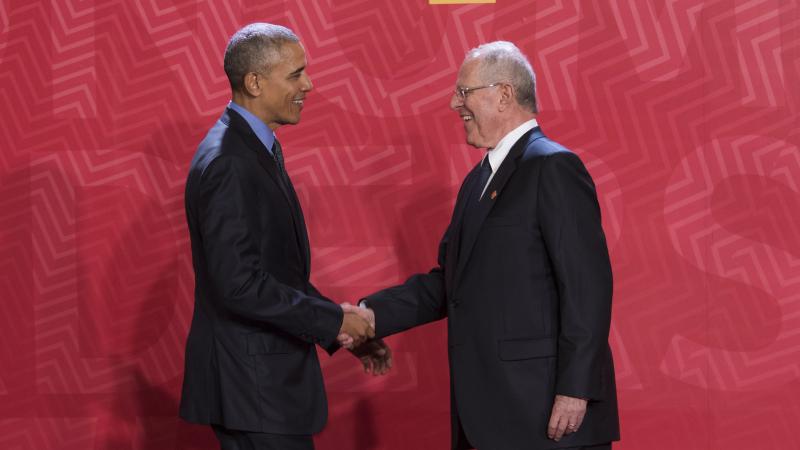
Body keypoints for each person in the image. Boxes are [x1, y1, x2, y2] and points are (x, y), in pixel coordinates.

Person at [354, 41, 620, 449]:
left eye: (464, 92)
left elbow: (587, 286)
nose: (453, 103)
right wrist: (368, 316)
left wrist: (576, 389)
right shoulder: (477, 182)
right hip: (491, 414)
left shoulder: (552, 166)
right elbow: (450, 284)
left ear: (504, 94)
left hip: (546, 412)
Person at [179, 23, 388, 450]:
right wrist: (334, 321)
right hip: (252, 389)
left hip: (261, 388)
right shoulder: (229, 161)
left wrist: (339, 328)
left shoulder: (252, 148)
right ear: (254, 82)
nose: (308, 85)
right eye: (296, 74)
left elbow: (276, 273)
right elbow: (239, 285)